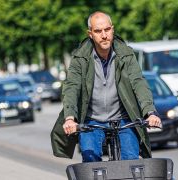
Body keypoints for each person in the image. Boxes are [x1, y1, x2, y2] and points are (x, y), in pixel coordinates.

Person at [50, 11, 161, 162]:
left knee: (130, 162)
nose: (104, 35)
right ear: (90, 34)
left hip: (124, 119)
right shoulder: (80, 58)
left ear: (112, 29)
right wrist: (70, 118)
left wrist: (150, 112)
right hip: (91, 121)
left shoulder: (126, 55)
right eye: (98, 31)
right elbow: (71, 87)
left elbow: (138, 82)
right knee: (91, 163)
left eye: (107, 30)